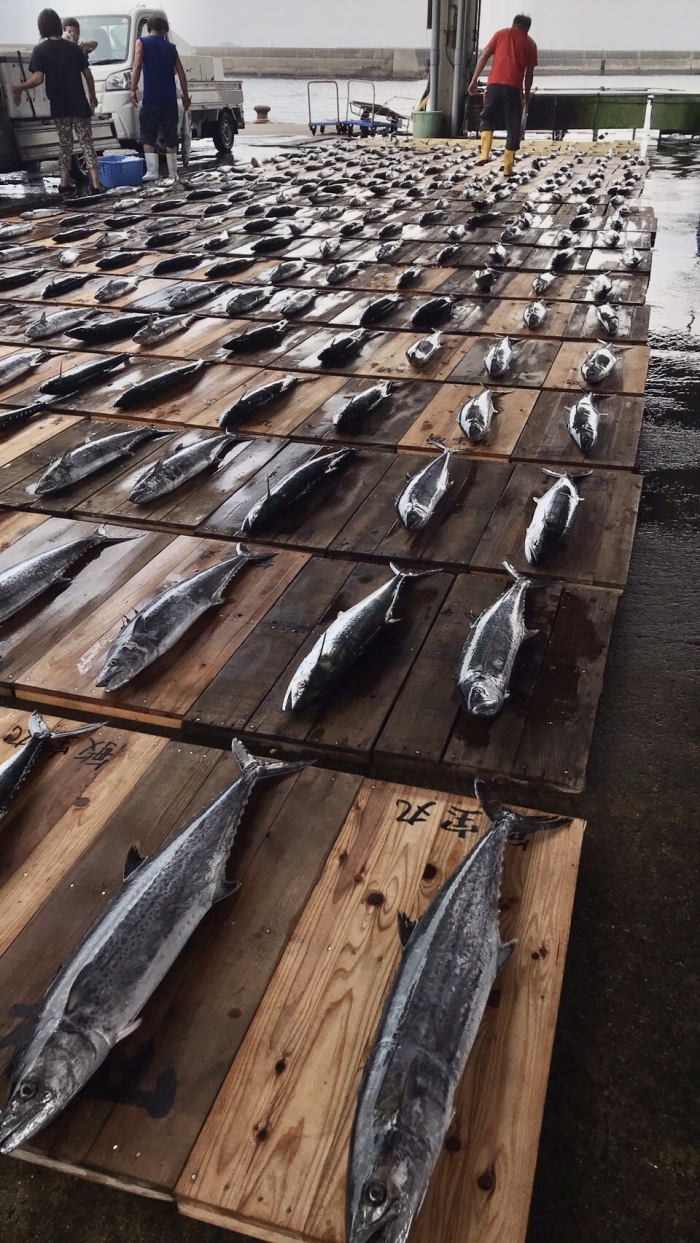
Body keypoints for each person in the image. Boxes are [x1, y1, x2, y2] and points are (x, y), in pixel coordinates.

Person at [12, 8, 103, 195]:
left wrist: (19, 88)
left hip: (59, 106)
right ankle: (96, 184)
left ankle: (64, 183)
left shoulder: (41, 50)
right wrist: (93, 95)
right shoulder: (73, 48)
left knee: (65, 144)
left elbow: (38, 79)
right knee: (87, 143)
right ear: (58, 26)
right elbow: (87, 74)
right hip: (79, 103)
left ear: (42, 27)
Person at [468, 14, 538, 178]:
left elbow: (484, 56)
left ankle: (484, 154)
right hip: (514, 88)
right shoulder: (530, 43)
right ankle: (508, 168)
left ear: (513, 23)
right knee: (513, 125)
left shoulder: (501, 34)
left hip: (493, 85)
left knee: (487, 117)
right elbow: (529, 74)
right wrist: (526, 94)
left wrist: (474, 79)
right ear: (527, 28)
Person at [130, 13, 190, 184]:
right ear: (165, 29)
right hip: (169, 101)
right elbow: (182, 75)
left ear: (149, 28)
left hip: (151, 99)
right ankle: (173, 173)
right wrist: (185, 97)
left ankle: (152, 172)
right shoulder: (171, 48)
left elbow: (137, 65)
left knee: (148, 134)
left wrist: (133, 89)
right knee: (171, 136)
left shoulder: (142, 42)